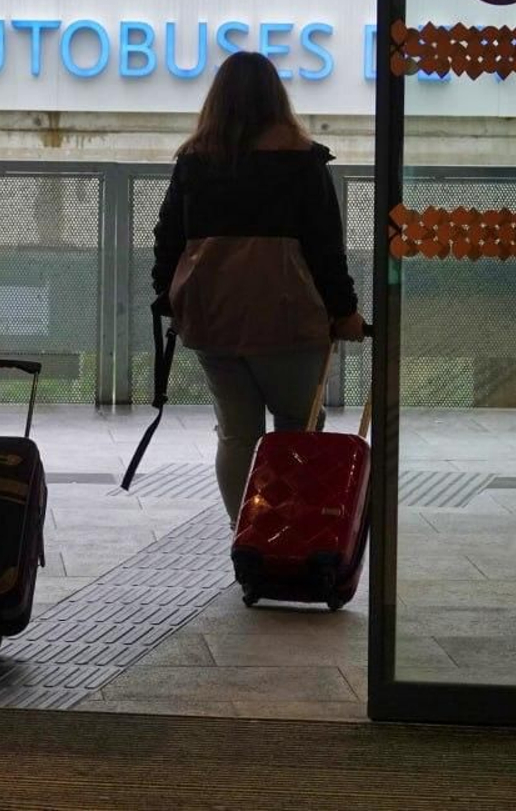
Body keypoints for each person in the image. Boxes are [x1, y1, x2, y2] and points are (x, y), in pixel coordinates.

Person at [151, 50, 365, 524]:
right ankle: (289, 533)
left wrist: (170, 299)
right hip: (287, 318)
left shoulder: (194, 162)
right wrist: (344, 310)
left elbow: (167, 238)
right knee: (298, 427)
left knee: (236, 434)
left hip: (213, 318)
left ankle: (244, 533)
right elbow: (325, 248)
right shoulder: (304, 162)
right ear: (276, 98)